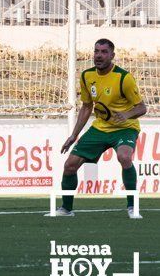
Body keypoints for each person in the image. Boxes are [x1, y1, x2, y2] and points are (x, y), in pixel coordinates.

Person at [56, 39, 146, 219]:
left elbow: (142, 108)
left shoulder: (123, 77)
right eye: (96, 51)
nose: (99, 55)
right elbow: (87, 107)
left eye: (104, 52)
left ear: (112, 56)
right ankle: (66, 209)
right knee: (69, 165)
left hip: (125, 127)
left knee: (124, 156)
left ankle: (132, 207)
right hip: (100, 128)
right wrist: (74, 135)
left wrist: (126, 115)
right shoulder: (87, 76)